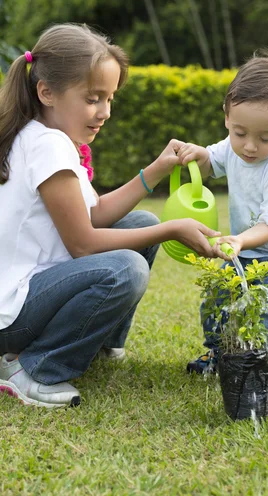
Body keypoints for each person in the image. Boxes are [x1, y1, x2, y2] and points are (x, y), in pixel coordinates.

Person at [0, 23, 220, 408]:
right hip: (12, 316)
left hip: (30, 294)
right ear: (46, 92)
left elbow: (97, 213)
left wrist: (156, 169)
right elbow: (84, 243)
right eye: (93, 98)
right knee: (126, 268)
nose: (105, 112)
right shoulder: (48, 147)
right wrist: (173, 229)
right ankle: (34, 369)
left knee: (143, 226)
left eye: (109, 98)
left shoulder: (47, 136)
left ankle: (98, 343)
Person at [178, 49, 268, 389]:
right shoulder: (233, 146)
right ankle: (219, 355)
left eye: (265, 138)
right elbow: (209, 163)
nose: (249, 147)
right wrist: (194, 154)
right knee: (215, 301)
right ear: (227, 116)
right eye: (240, 133)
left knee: (266, 311)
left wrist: (240, 240)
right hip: (249, 249)